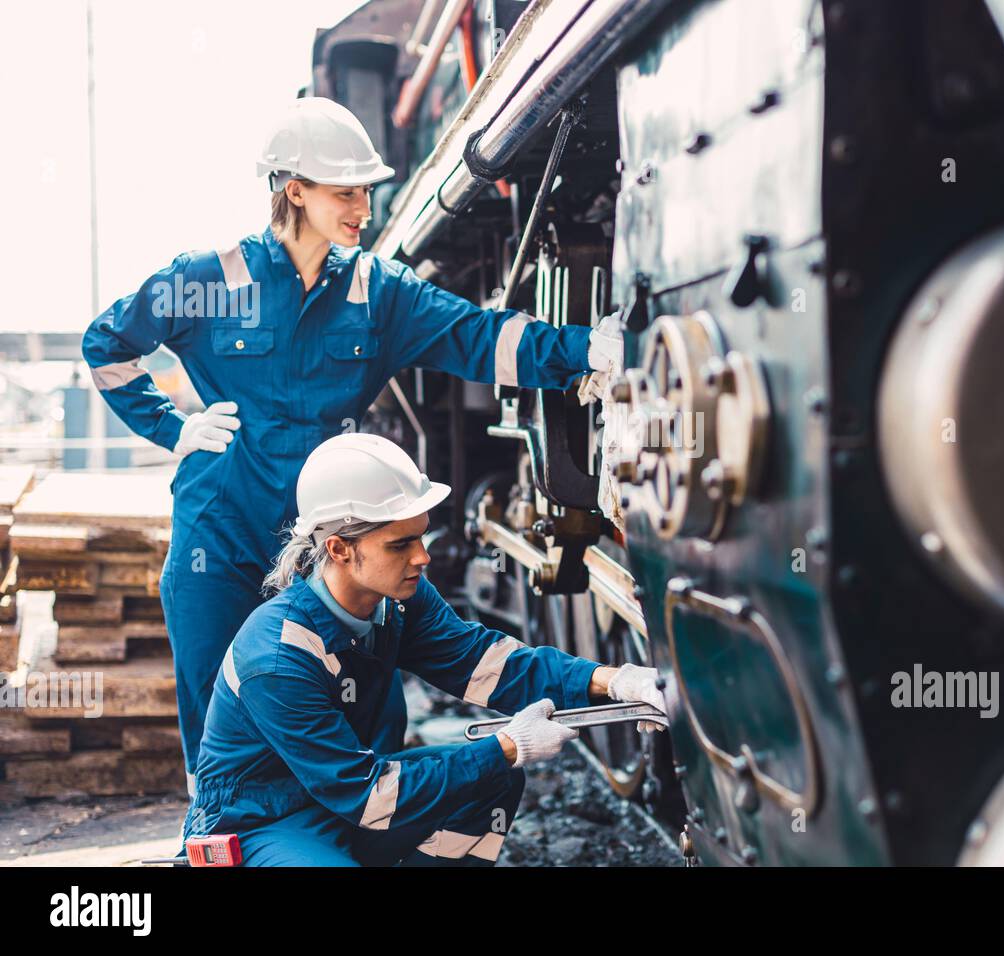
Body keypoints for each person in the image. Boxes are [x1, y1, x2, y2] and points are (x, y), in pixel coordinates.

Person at [80, 98, 625, 792]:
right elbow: (106, 345)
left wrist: (588, 352)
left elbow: (481, 339)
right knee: (221, 730)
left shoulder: (378, 292)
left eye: (367, 190)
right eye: (346, 192)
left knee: (359, 718)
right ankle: (218, 842)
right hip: (219, 541)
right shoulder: (210, 281)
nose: (364, 208)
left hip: (326, 549)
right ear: (293, 191)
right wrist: (171, 428)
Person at [182, 433, 664, 866]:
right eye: (401, 544)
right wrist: (510, 745)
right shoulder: (278, 658)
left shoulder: (396, 600)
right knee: (492, 763)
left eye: (421, 535)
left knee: (494, 780)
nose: (423, 556)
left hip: (344, 795)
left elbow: (488, 666)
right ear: (339, 550)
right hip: (262, 821)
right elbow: (370, 797)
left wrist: (617, 682)